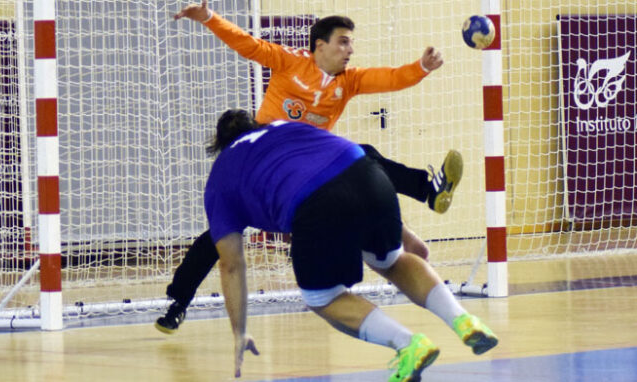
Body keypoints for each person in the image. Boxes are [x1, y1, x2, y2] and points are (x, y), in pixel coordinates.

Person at [155, 0, 463, 333]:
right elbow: (247, 44)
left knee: (363, 157)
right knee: (217, 237)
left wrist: (422, 66)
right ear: (320, 45)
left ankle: (427, 198)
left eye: (352, 43)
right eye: (343, 42)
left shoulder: (350, 81)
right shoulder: (288, 62)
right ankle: (178, 303)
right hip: (267, 168)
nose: (350, 50)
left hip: (312, 176)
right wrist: (209, 18)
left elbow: (390, 78)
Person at [204, 109, 497, 381]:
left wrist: (239, 331)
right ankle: (463, 319)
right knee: (392, 261)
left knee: (323, 297)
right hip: (367, 173)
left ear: (219, 146)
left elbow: (231, 264)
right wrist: (405, 236)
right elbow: (347, 167)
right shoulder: (285, 127)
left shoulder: (220, 177)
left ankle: (408, 344)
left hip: (315, 203)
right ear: (256, 126)